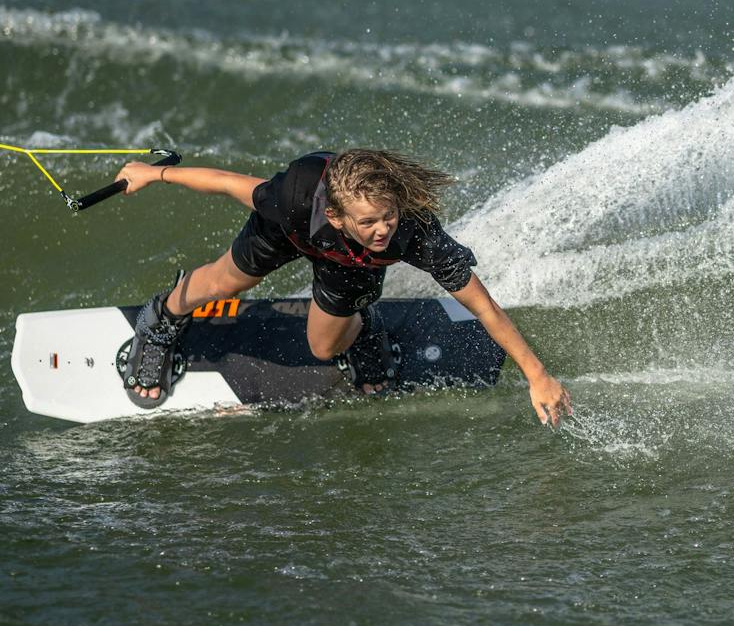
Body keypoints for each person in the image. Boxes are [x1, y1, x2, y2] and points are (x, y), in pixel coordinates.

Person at [110, 148, 571, 425]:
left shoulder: (416, 234)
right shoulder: (292, 197)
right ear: (336, 215)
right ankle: (160, 322)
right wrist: (155, 173)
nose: (383, 230)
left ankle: (361, 322)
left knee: (324, 346)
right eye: (369, 221)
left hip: (347, 265)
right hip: (285, 232)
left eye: (388, 216)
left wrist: (538, 375)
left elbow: (484, 307)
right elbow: (230, 183)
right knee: (219, 283)